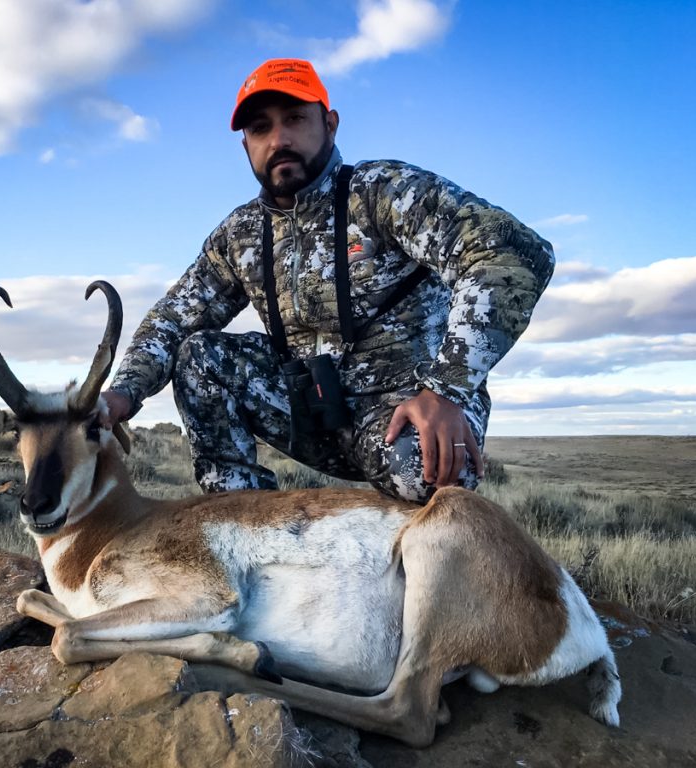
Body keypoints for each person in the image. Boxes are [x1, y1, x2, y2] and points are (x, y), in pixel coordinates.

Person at [101, 58, 554, 502]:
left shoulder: (382, 192)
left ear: (331, 124)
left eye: (295, 118)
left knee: (422, 469)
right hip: (311, 415)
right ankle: (246, 526)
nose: (279, 139)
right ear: (245, 146)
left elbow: (513, 253)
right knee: (198, 356)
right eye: (260, 128)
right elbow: (173, 318)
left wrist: (446, 389)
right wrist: (122, 393)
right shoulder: (239, 235)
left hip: (408, 410)